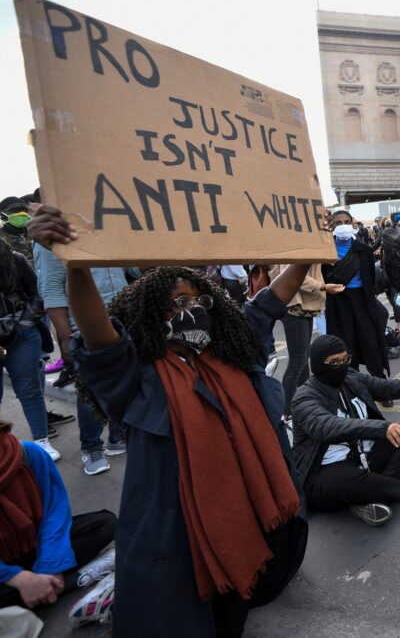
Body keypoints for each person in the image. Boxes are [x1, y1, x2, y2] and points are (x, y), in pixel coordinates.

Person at [29, 205, 310, 637]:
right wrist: (77, 264)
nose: (193, 309)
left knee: (235, 606)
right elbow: (99, 334)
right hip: (177, 528)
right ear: (152, 315)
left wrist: (309, 246)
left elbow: (272, 298)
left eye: (199, 301)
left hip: (248, 507)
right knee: (185, 613)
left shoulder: (230, 352)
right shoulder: (137, 376)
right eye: (179, 303)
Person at [290, 335, 400, 526]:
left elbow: (388, 388)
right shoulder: (304, 398)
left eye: (345, 359)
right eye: (334, 362)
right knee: (346, 480)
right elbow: (327, 426)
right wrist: (381, 428)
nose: (341, 366)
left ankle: (366, 495)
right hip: (325, 472)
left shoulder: (351, 377)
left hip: (363, 457)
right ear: (318, 364)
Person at [0, 420, 117, 616]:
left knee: (105, 524)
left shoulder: (26, 452)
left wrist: (51, 564)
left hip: (36, 545)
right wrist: (18, 578)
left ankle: (41, 586)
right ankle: (72, 580)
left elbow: (54, 510)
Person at [33, 246, 129, 475]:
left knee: (125, 383)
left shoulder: (108, 227)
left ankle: (117, 437)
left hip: (123, 320)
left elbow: (130, 271)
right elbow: (51, 288)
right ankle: (92, 447)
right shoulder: (52, 238)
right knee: (89, 390)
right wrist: (66, 339)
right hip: (84, 326)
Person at [0, 239, 57, 461]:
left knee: (29, 389)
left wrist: (24, 324)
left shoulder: (15, 259)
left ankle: (42, 441)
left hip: (21, 334)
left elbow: (37, 294)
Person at [324, 209, 390, 381]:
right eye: (338, 223)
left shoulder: (364, 250)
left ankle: (381, 385)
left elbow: (370, 280)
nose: (343, 226)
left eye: (346, 222)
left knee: (371, 342)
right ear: (332, 226)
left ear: (352, 223)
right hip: (338, 302)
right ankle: (352, 386)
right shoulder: (326, 251)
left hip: (362, 301)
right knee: (345, 344)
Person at [270, 263, 340, 418]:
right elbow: (293, 277)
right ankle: (285, 412)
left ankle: (307, 402)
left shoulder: (304, 244)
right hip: (294, 309)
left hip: (303, 308)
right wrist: (323, 286)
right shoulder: (293, 245)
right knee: (297, 364)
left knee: (302, 361)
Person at [0, 197, 33, 263]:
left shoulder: (36, 235)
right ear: (3, 215)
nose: (22, 213)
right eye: (15, 210)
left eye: (25, 210)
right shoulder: (1, 239)